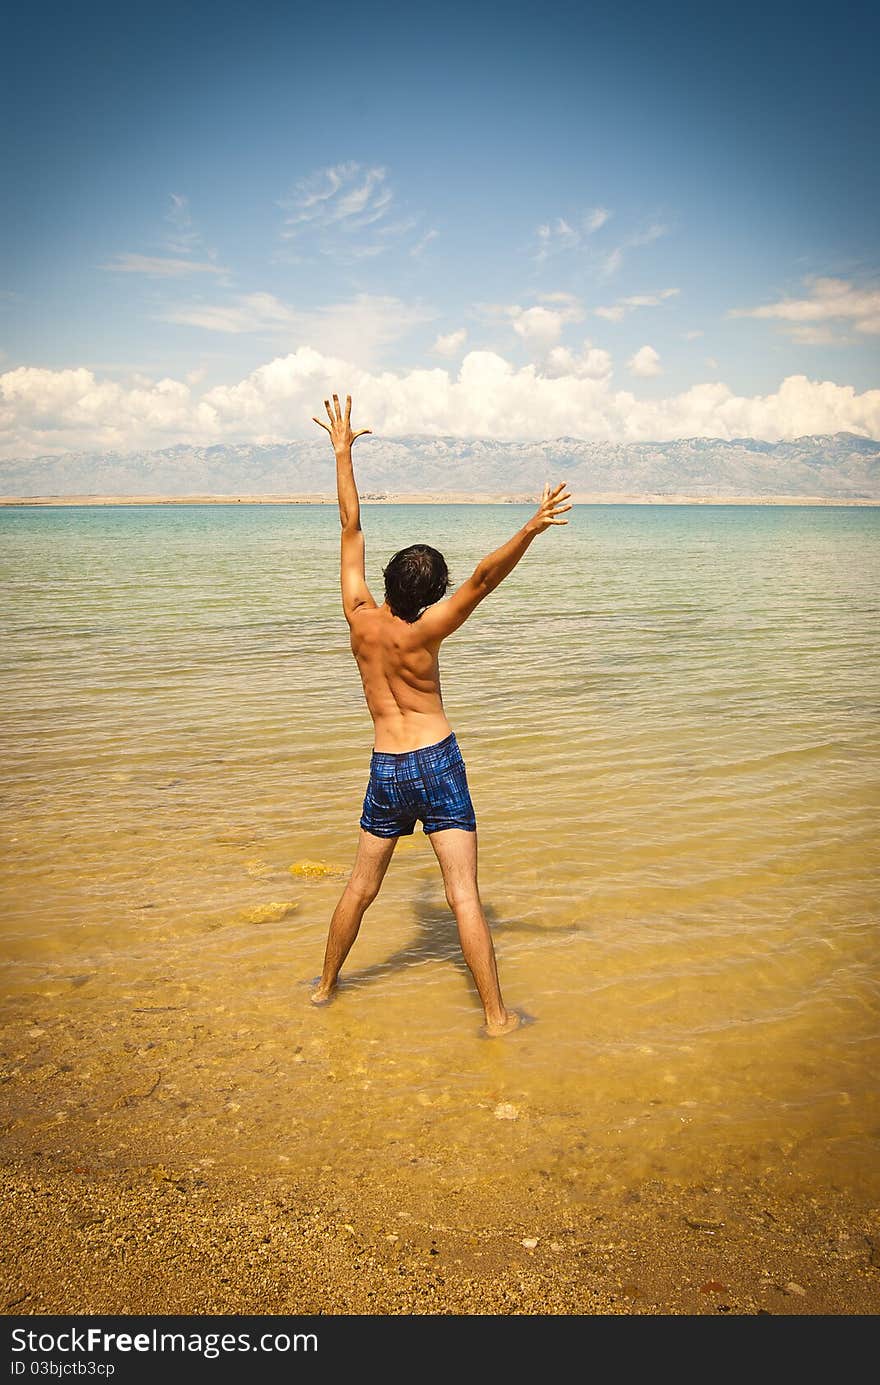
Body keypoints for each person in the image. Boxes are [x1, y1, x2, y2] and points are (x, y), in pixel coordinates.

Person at [309, 392, 571, 1036]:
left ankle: (323, 987)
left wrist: (342, 453)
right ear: (429, 595)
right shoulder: (428, 631)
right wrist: (531, 528)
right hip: (438, 762)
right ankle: (497, 1017)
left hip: (387, 766)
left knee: (362, 886)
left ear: (390, 583)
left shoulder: (359, 618)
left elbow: (350, 526)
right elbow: (482, 579)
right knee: (464, 896)